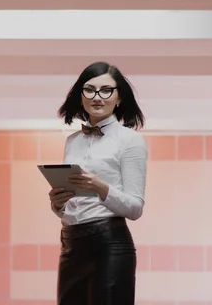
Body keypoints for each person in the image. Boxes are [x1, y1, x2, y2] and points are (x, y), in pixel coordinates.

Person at [49, 61, 147, 305]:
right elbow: (75, 203)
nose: (97, 97)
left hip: (109, 246)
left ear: (119, 98)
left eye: (106, 90)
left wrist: (101, 188)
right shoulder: (72, 141)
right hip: (71, 244)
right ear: (81, 96)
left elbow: (135, 208)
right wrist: (57, 204)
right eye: (89, 89)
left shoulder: (130, 140)